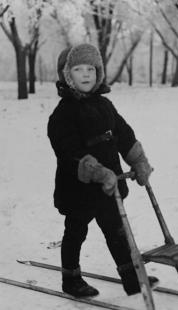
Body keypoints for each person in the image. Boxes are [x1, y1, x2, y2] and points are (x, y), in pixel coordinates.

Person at [47, 43, 157, 298]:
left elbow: (124, 135)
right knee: (76, 232)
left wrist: (138, 161)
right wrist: (96, 171)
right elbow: (68, 151)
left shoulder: (105, 106)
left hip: (110, 188)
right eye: (78, 69)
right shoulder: (62, 115)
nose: (86, 74)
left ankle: (131, 276)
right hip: (79, 190)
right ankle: (71, 279)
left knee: (118, 231)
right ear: (67, 76)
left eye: (91, 69)